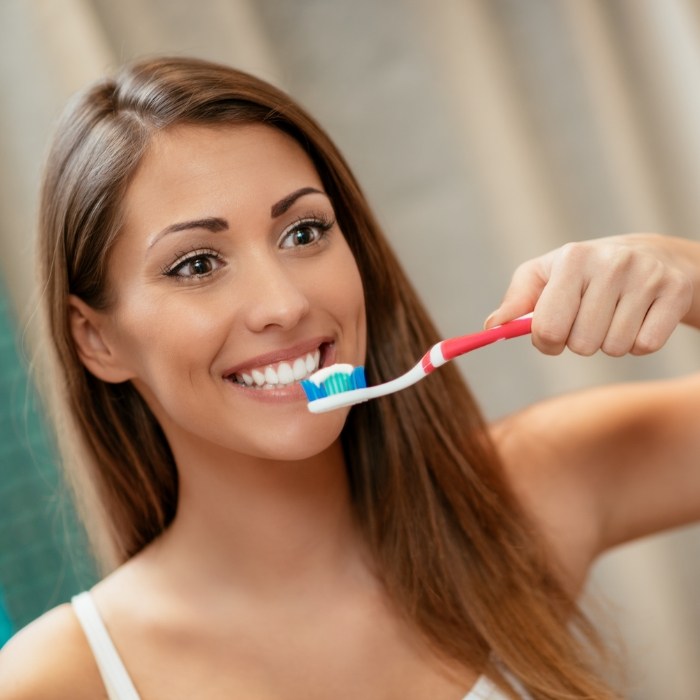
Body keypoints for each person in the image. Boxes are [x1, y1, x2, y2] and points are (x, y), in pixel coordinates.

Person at [0, 55, 698, 700]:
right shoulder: (60, 679)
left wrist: (685, 271)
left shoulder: (531, 491)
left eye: (303, 233)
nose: (284, 304)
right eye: (196, 265)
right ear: (95, 338)